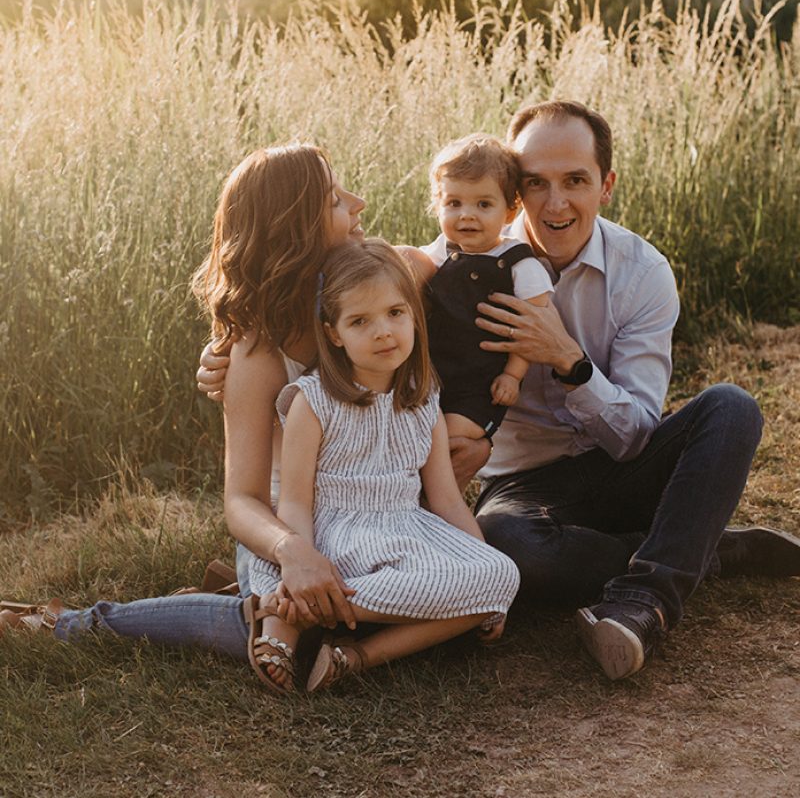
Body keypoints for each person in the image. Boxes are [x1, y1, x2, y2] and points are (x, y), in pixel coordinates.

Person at [198, 102, 800, 682]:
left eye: (576, 181)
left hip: (623, 463)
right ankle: (695, 545)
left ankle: (648, 595)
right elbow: (358, 302)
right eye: (536, 183)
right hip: (524, 489)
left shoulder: (641, 273)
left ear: (605, 185)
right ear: (515, 191)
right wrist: (226, 353)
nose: (555, 202)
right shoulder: (449, 260)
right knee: (510, 548)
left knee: (731, 406)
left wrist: (570, 361)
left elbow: (638, 435)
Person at [1, 146, 367, 668]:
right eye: (335, 199)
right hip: (289, 522)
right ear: (297, 232)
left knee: (359, 610)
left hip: (372, 512)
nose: (359, 203)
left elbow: (444, 257)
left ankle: (224, 597)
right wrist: (293, 551)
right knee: (300, 633)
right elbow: (242, 499)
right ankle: (73, 624)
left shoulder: (380, 292)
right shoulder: (259, 352)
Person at [245, 238, 519, 693]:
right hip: (334, 536)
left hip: (404, 531)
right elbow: (294, 503)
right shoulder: (312, 402)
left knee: (503, 576)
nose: (383, 332)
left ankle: (348, 653)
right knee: (475, 592)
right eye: (359, 321)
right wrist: (303, 564)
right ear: (333, 333)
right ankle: (297, 600)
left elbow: (447, 499)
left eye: (395, 313)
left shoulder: (424, 394)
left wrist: (486, 570)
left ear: (414, 315)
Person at [407, 134, 552, 488]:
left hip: (480, 385)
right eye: (454, 203)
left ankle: (441, 504)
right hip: (432, 376)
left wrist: (513, 375)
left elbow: (531, 329)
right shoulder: (438, 254)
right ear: (437, 204)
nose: (466, 215)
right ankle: (411, 500)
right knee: (414, 437)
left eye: (483, 205)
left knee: (447, 441)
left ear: (510, 210)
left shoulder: (518, 263)